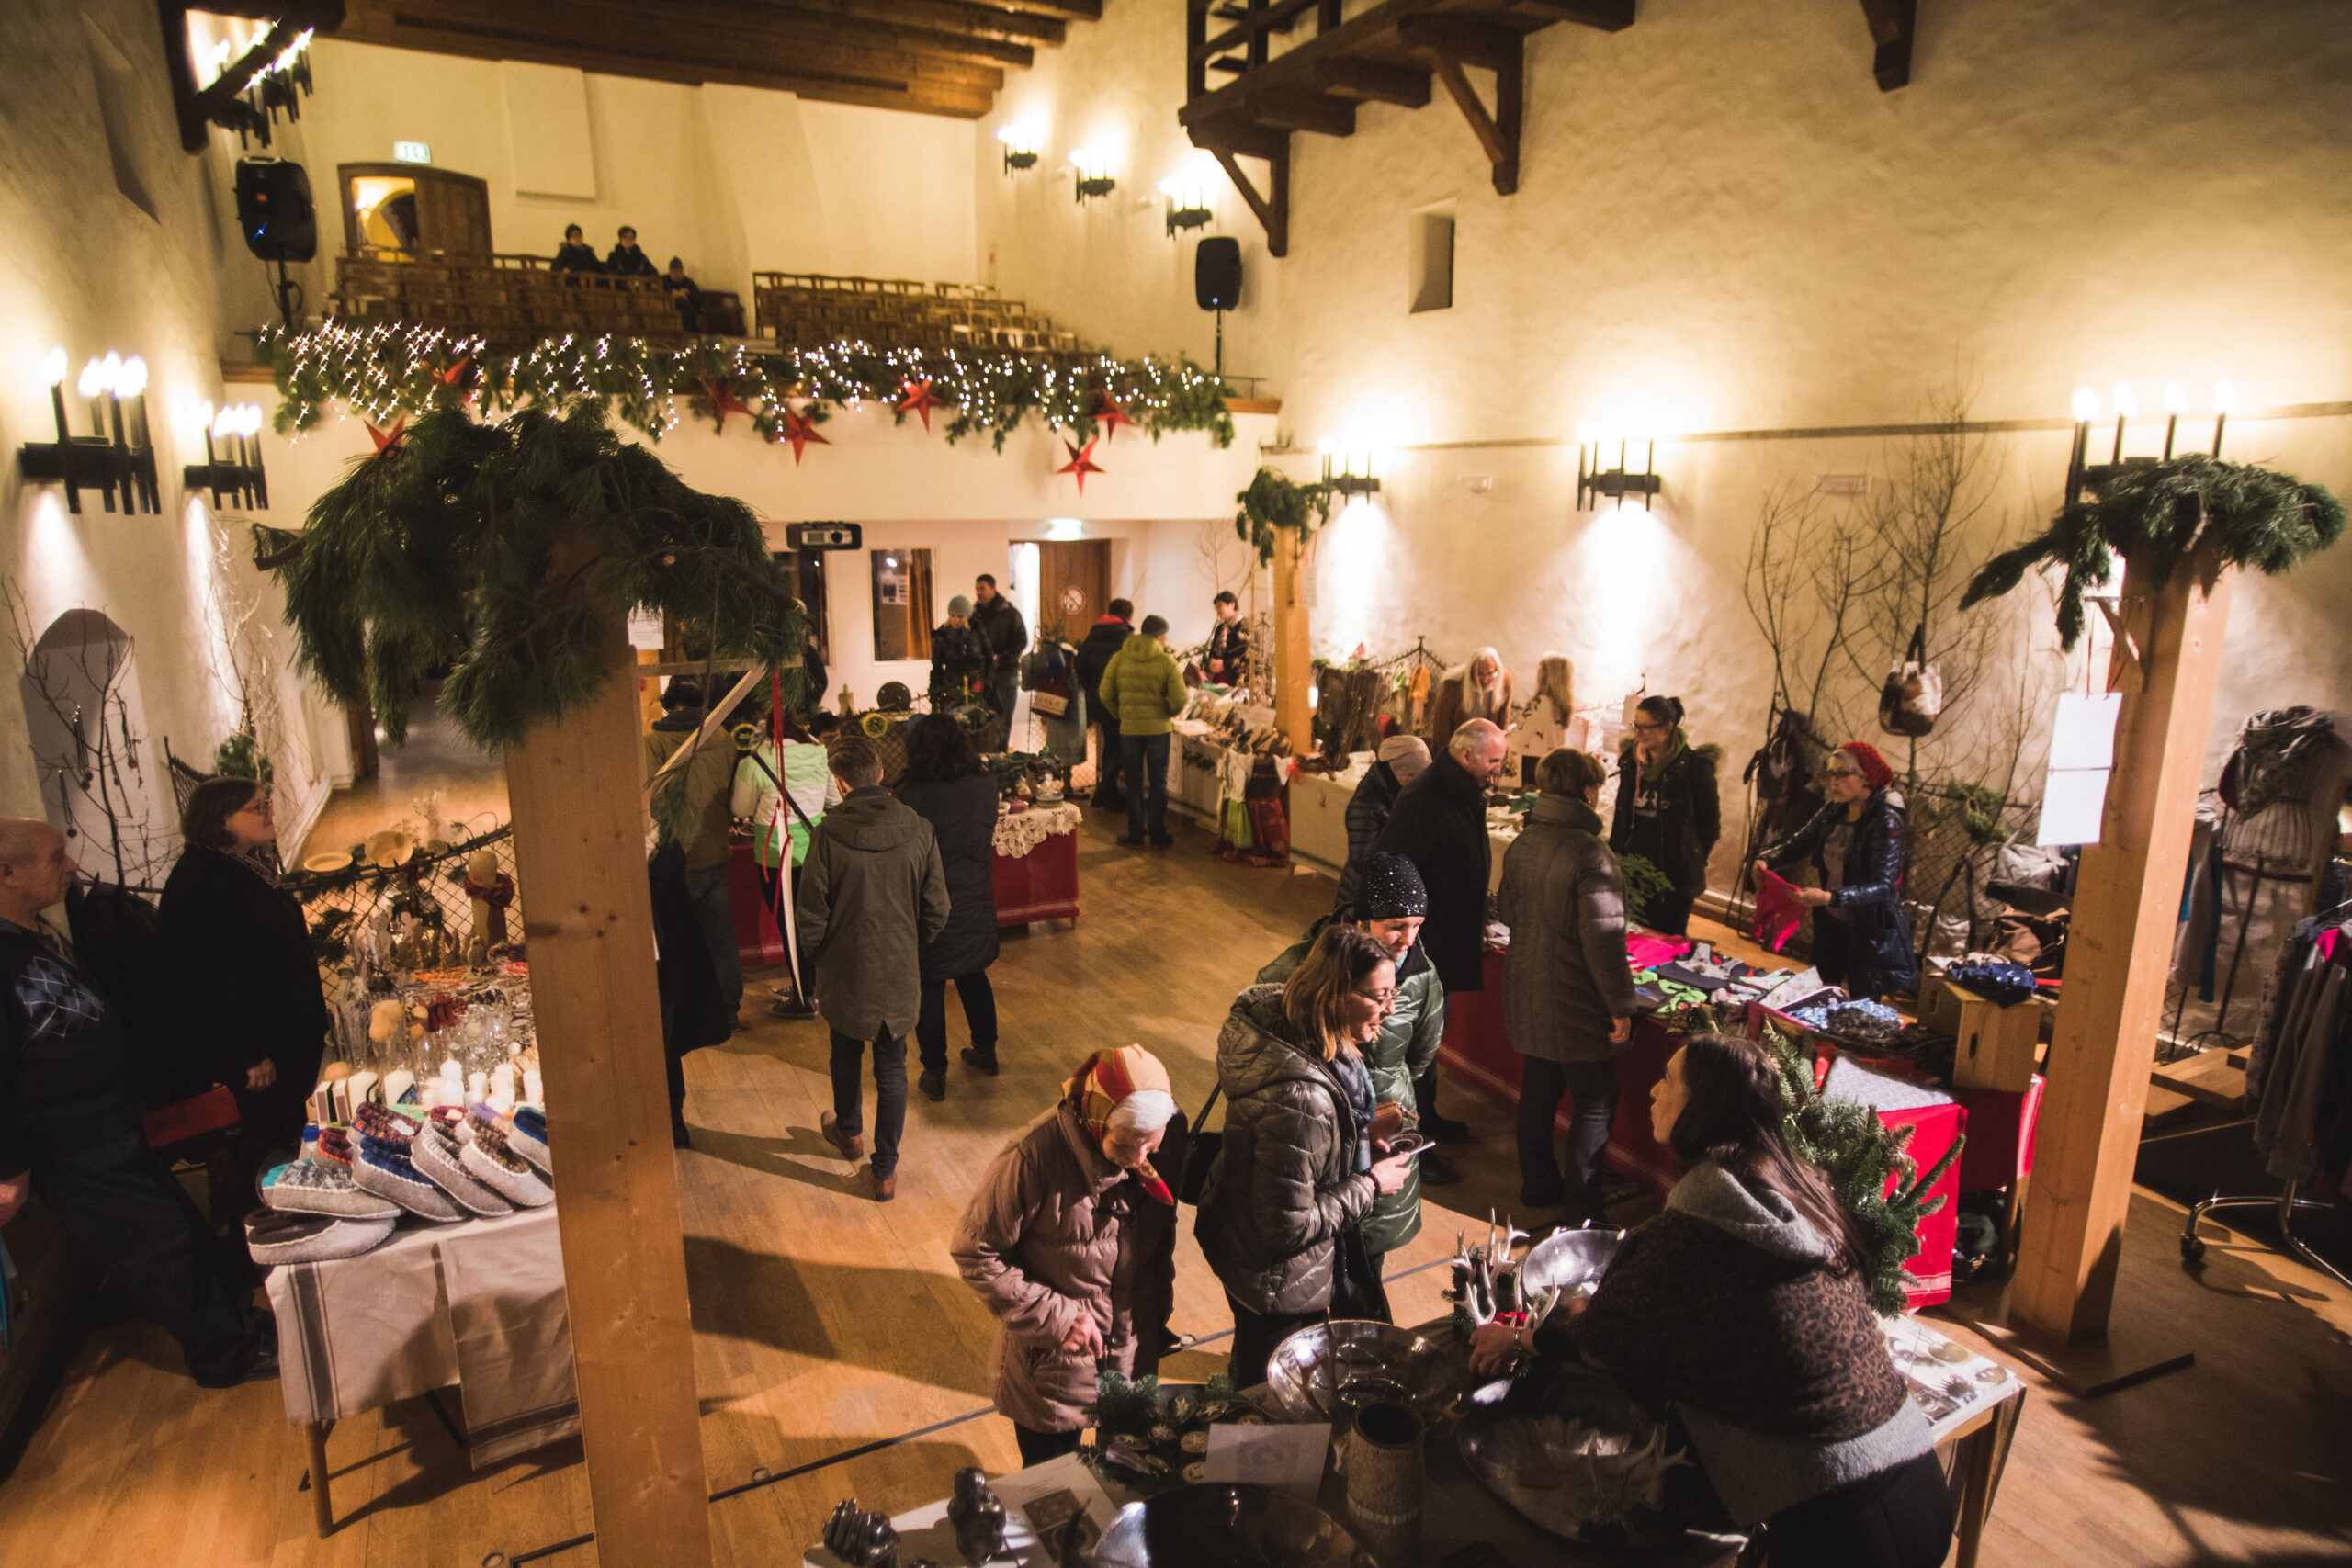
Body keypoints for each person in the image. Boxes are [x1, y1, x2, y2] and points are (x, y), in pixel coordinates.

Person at [1468, 1032, 1949, 1566]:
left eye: (1668, 1080)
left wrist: (1517, 1339)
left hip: (1841, 1526)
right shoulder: (1795, 1193)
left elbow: (1604, 1339)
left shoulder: (1701, 1225)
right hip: (1917, 1477)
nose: (1653, 1090)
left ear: (1703, 1107)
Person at [1, 819, 277, 1388]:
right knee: (155, 1250)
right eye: (55, 857)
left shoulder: (34, 935)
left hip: (113, 1123)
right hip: (71, 1143)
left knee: (178, 1230)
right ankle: (225, 1354)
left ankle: (241, 1326)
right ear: (6, 873)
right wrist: (11, 1167)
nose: (72, 866)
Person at [1197, 924, 1417, 1387]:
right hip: (1277, 1281)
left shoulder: (1302, 1034)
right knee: (1265, 1399)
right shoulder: (1299, 1100)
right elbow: (1287, 1225)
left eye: (1393, 994)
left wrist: (1353, 1141)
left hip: (1249, 1249)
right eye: (1380, 997)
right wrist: (1372, 1184)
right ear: (1335, 996)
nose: (1390, 1009)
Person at [951, 1045, 1180, 1466]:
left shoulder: (1162, 1136)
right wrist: (1058, 1319)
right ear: (1097, 1121)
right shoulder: (1034, 1157)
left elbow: (1160, 1241)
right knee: (1054, 1486)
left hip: (1132, 1352)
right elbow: (976, 1252)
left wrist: (1155, 1315)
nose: (1137, 1161)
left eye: (1150, 1145)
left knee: (1128, 1475)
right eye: (1124, 1145)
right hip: (1055, 1368)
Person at [1259, 852, 1451, 1243]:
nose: (1409, 940)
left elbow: (1422, 1054)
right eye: (1396, 926)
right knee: (1314, 1240)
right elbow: (1264, 1054)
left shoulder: (1421, 973)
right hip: (1314, 1130)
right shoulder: (1298, 968)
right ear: (1363, 920)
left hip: (1384, 1129)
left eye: (1417, 925)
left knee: (1370, 1245)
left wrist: (1384, 1089)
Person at [162, 779, 331, 1197]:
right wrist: (249, 1054)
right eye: (257, 808)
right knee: (266, 1139)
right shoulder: (201, 881)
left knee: (286, 1132)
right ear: (221, 820)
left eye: (266, 803)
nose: (269, 812)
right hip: (262, 1049)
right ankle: (255, 1219)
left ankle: (289, 1203)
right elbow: (212, 977)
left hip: (285, 1034)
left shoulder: (242, 864)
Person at [797, 736, 950, 1201]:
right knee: (892, 1065)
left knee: (844, 1051)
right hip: (899, 965)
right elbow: (938, 908)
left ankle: (848, 1132)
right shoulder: (919, 828)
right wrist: (910, 945)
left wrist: (820, 956)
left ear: (841, 784)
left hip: (845, 966)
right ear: (881, 774)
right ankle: (884, 1172)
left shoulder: (827, 835)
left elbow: (811, 914)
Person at [1497, 749, 1638, 1219]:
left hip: (1527, 981)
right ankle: (1583, 1206)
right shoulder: (1592, 853)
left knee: (1540, 1087)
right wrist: (1621, 1005)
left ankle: (1538, 1183)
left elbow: (1509, 912)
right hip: (1574, 994)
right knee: (1596, 1098)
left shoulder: (1524, 842)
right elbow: (1604, 942)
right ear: (1588, 790)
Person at [1373, 717, 1509, 1145]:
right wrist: (1404, 942)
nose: (1498, 771)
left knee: (1428, 1044)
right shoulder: (1425, 798)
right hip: (1421, 950)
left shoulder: (1462, 795)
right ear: (1466, 755)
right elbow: (1392, 872)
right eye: (1493, 761)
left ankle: (1425, 1120)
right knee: (1410, 1048)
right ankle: (1406, 1140)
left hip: (1443, 946)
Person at [1752, 741, 1919, 1002]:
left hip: (1868, 930)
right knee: (1820, 996)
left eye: (1842, 774)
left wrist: (1830, 897)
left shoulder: (1884, 818)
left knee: (1860, 1007)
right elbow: (1798, 845)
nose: (1833, 781)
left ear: (1867, 777)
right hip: (1831, 921)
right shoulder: (1833, 810)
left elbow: (1885, 886)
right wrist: (1765, 860)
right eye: (1831, 773)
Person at [894, 716, 1001, 1099]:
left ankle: (935, 1071)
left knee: (930, 983)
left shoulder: (910, 793)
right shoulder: (985, 785)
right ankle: (986, 1051)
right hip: (975, 895)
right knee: (973, 973)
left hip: (929, 901)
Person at [645, 679, 746, 1026]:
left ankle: (690, 1015)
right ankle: (729, 1010)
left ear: (669, 704)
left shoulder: (654, 743)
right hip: (716, 849)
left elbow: (651, 799)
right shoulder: (724, 738)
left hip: (675, 858)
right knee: (721, 937)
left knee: (678, 938)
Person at [733, 712, 842, 1017]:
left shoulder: (755, 761)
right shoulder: (820, 754)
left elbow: (740, 807)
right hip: (816, 849)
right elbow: (835, 800)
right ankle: (814, 986)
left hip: (774, 853)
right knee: (817, 919)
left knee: (789, 924)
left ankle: (803, 997)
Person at [1610, 694, 1721, 938]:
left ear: (1667, 728)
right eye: (1636, 725)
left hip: (1675, 876)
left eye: (1646, 727)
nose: (1639, 733)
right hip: (1633, 869)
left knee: (1667, 942)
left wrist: (1692, 858)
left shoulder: (1695, 768)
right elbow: (1622, 814)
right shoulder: (1630, 762)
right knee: (1628, 938)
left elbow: (1710, 826)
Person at [1098, 614, 1189, 850]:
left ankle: (1135, 833)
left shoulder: (1120, 658)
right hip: (1159, 729)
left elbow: (1105, 693)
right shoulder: (1167, 661)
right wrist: (1168, 712)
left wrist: (1121, 713)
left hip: (1129, 729)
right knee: (1158, 781)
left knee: (1133, 781)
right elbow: (1180, 699)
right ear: (1160, 636)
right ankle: (1157, 833)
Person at [1332, 734, 1429, 916]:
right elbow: (1363, 859)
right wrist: (1404, 865)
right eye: (1412, 776)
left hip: (1383, 893)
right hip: (1363, 898)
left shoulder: (1394, 791)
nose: (1415, 783)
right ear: (1397, 772)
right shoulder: (1368, 802)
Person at [1076, 599, 1134, 813]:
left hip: (1096, 699)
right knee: (1119, 747)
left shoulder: (1095, 633)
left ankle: (1107, 791)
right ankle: (1104, 792)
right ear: (1128, 616)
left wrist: (1091, 688)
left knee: (1111, 744)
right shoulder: (1124, 636)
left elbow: (1080, 664)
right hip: (1117, 700)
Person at [1508, 653, 1586, 788]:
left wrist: (1506, 733)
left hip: (1530, 767)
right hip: (1550, 766)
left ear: (1547, 675)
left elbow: (1518, 739)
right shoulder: (1563, 706)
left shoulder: (1539, 703)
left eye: (1540, 669)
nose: (1537, 673)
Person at [969, 573, 1027, 750]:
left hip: (1005, 673)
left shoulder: (1009, 613)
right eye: (977, 589)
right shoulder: (974, 615)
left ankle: (1000, 756)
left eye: (982, 588)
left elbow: (1021, 640)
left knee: (1003, 719)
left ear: (993, 590)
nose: (979, 593)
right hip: (983, 674)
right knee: (981, 717)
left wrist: (1001, 658)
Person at [1429, 646, 1513, 743]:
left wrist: (1501, 743)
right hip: (1457, 743)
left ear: (1496, 670)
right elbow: (1442, 726)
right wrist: (1446, 751)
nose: (1485, 680)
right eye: (1480, 674)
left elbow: (1504, 718)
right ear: (1471, 672)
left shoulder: (1504, 680)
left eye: (1490, 674)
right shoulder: (1452, 685)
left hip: (1487, 743)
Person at [930, 596, 989, 716]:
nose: (956, 620)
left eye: (960, 617)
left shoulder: (975, 634)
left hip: (972, 685)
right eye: (953, 616)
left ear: (967, 617)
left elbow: (979, 659)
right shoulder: (943, 635)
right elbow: (936, 665)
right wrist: (934, 691)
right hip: (949, 686)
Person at [1205, 590, 1250, 686]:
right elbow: (1213, 650)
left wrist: (1225, 664)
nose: (1217, 610)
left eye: (1220, 605)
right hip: (1218, 676)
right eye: (1216, 607)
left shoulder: (1245, 626)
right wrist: (1212, 660)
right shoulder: (1220, 627)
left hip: (1238, 679)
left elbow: (1247, 657)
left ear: (1232, 605)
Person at [664, 256, 702, 332]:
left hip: (687, 312)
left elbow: (699, 299)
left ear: (682, 271)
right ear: (670, 272)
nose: (676, 275)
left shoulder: (689, 283)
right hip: (669, 310)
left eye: (678, 272)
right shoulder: (664, 281)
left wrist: (687, 295)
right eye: (674, 272)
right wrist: (672, 293)